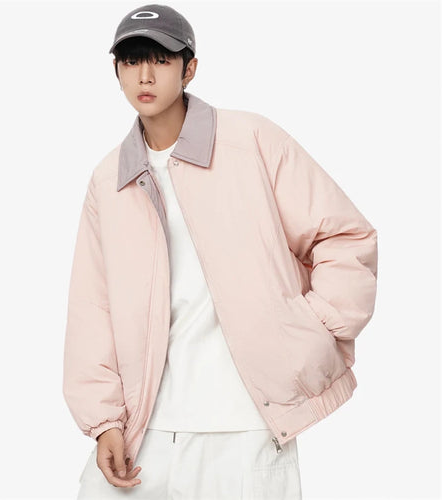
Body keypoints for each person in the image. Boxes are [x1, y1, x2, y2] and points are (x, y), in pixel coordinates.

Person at [62, 4, 378, 499]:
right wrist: (104, 422)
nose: (144, 75)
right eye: (131, 61)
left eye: (161, 60)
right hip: (147, 431)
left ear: (189, 68)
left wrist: (311, 329)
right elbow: (92, 307)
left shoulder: (249, 140)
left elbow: (344, 236)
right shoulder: (110, 178)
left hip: (248, 427)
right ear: (117, 71)